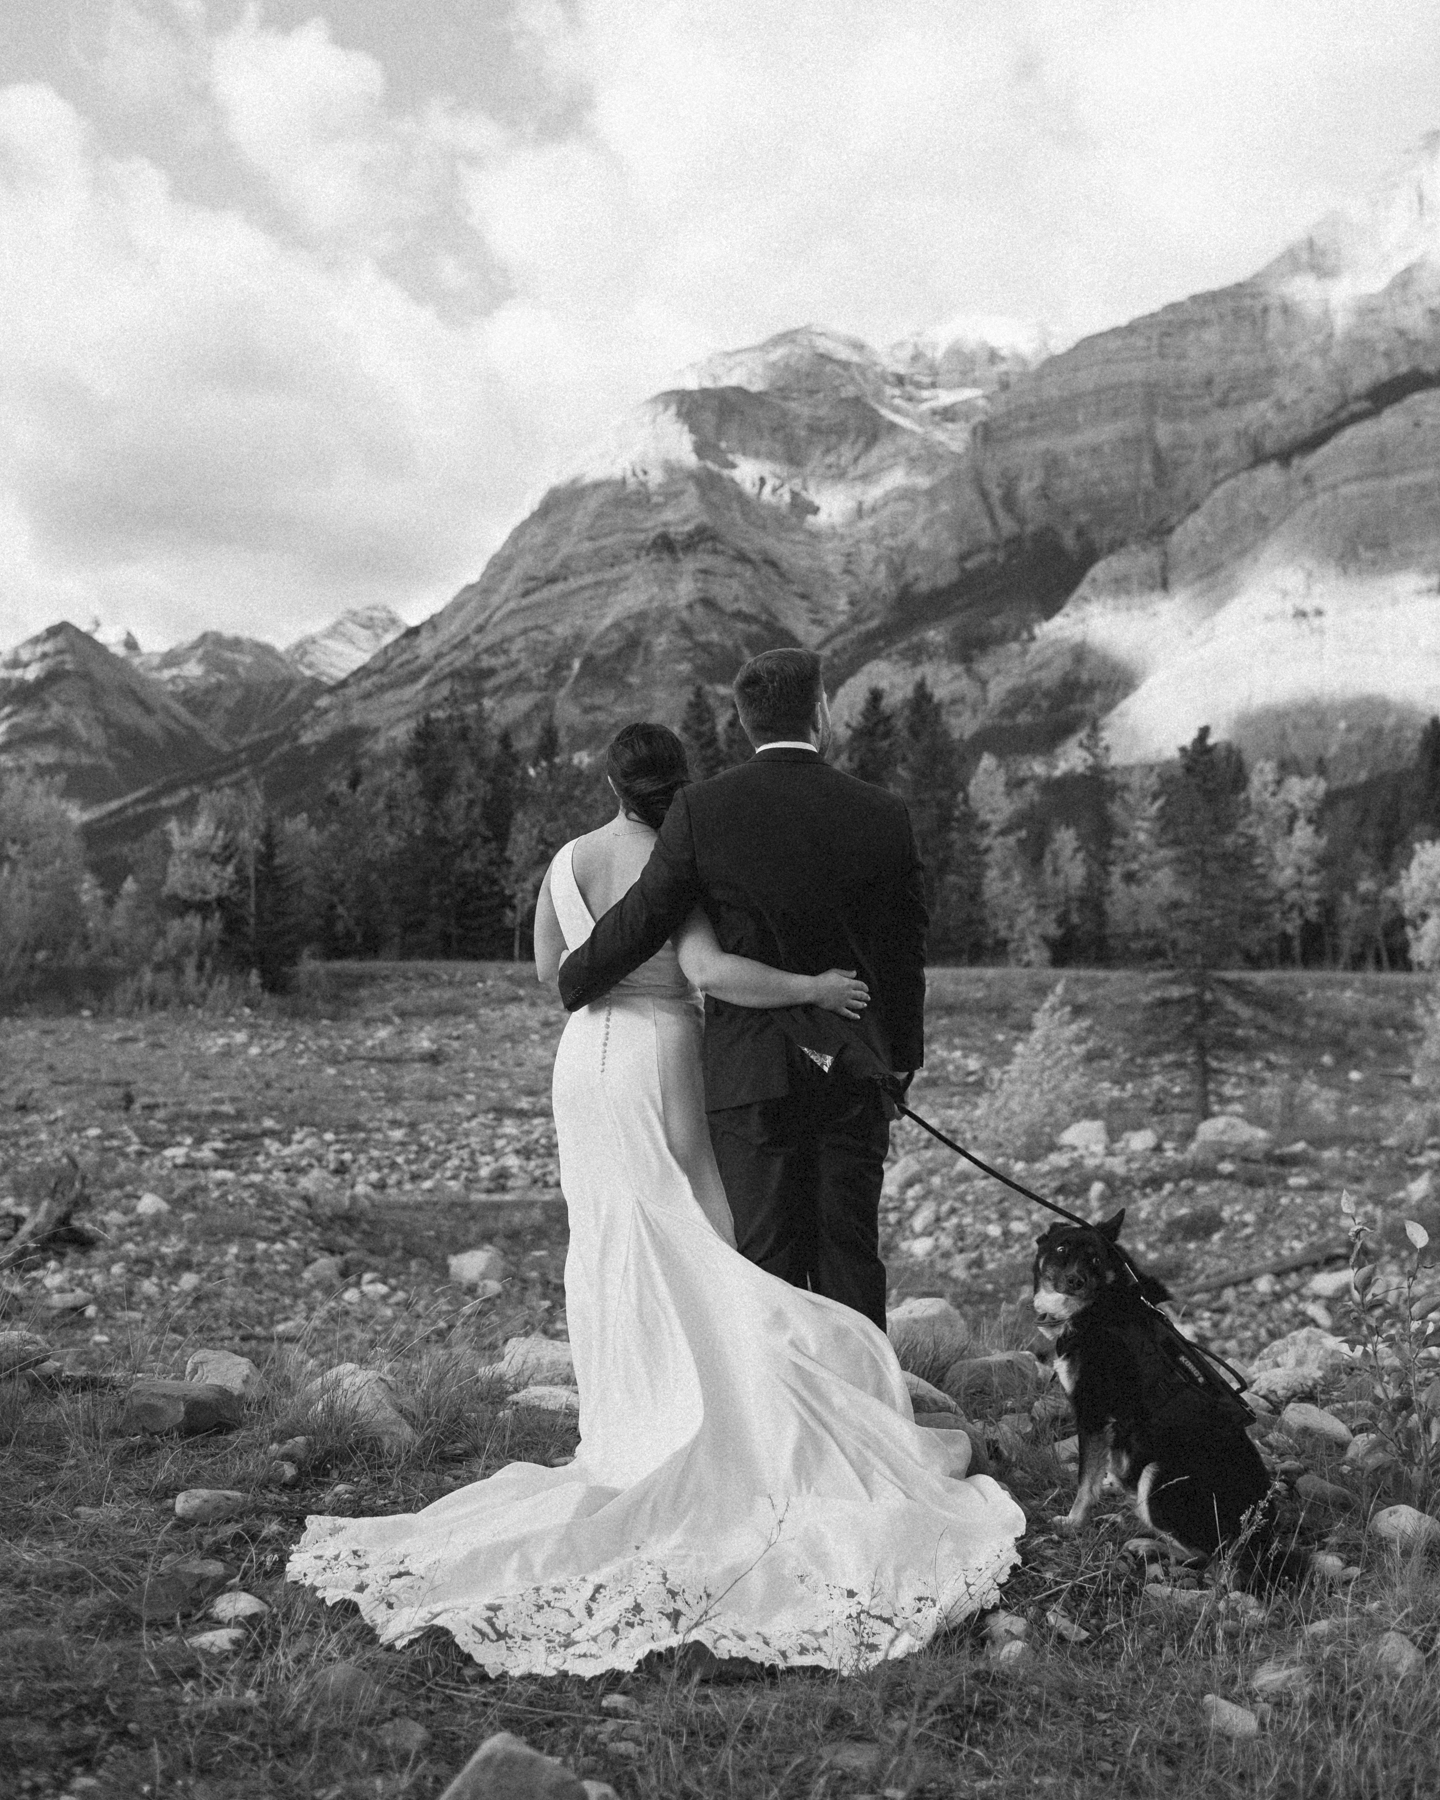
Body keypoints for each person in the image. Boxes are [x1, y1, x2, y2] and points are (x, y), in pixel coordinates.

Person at [286, 717, 1023, 1679]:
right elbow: (708, 971)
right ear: (679, 786)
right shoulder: (681, 853)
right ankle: (718, 1378)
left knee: (605, 1231)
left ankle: (625, 1418)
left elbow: (552, 970)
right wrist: (810, 987)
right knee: (694, 1216)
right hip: (659, 1048)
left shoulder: (566, 859)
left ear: (606, 779)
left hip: (581, 1059)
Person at [557, 648, 926, 1332]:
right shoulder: (883, 814)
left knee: (766, 1258)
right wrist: (899, 1061)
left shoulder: (703, 810)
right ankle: (869, 1417)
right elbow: (905, 956)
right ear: (821, 708)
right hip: (851, 1064)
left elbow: (645, 915)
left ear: (743, 719)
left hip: (751, 1072)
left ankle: (787, 1421)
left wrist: (576, 979)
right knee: (850, 1251)